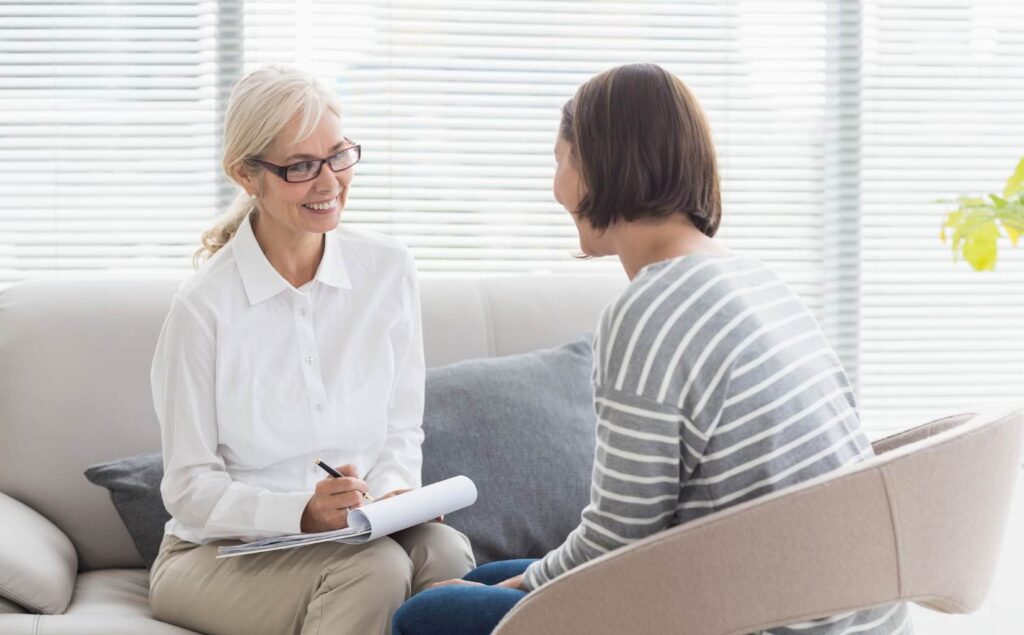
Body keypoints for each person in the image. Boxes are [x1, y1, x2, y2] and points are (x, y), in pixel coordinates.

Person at [392, 63, 911, 635]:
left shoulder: (650, 312)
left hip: (762, 618)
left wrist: (522, 587)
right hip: (852, 611)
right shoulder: (758, 280)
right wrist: (516, 582)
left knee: (427, 616)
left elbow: (619, 540)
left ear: (599, 164)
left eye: (559, 159)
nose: (555, 186)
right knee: (492, 578)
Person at [148, 65, 475, 635]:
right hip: (216, 556)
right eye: (300, 166)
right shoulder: (204, 307)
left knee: (443, 551)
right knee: (373, 570)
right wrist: (300, 512)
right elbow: (188, 487)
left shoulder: (388, 270)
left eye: (338, 155)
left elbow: (401, 428)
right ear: (246, 175)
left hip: (358, 533)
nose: (329, 183)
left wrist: (397, 493)